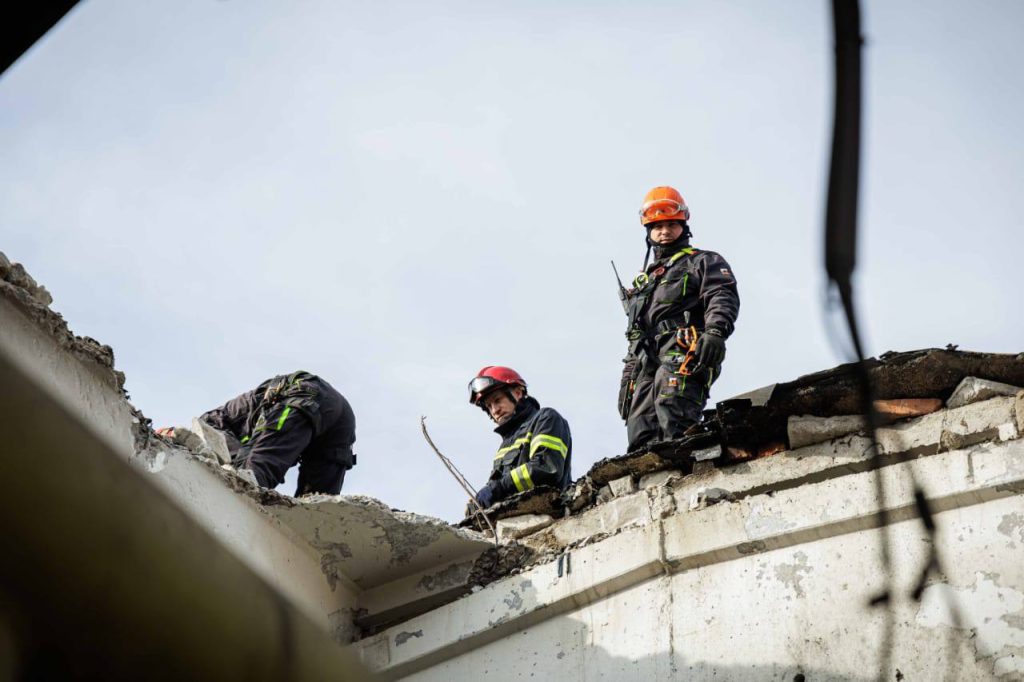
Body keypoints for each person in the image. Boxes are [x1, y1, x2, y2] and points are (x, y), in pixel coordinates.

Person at [617, 186, 740, 451]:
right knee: (639, 427)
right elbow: (636, 334)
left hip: (682, 349)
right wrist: (628, 374)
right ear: (648, 231)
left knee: (673, 410)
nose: (664, 231)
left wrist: (715, 331)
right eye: (657, 226)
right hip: (646, 360)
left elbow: (721, 294)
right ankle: (653, 476)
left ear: (683, 225)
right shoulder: (646, 282)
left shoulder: (702, 261)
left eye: (671, 224)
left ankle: (688, 468)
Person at [163, 370, 356, 496]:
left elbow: (209, 431)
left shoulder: (215, 421)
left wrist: (176, 438)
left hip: (303, 395)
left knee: (250, 479)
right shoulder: (232, 416)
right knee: (317, 507)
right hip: (341, 421)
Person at [468, 366, 572, 509]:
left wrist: (498, 489)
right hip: (514, 518)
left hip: (548, 513)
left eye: (497, 400)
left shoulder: (545, 418)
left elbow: (546, 469)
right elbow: (495, 488)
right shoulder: (506, 444)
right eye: (489, 406)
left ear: (517, 393)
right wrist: (478, 503)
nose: (494, 410)